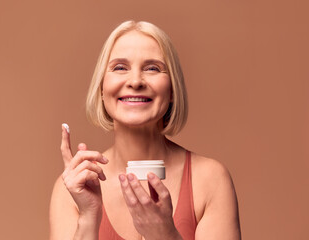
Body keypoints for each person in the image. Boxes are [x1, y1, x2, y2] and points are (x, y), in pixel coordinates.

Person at [49, 20, 241, 240]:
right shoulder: (73, 188)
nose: (135, 81)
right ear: (102, 88)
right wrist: (88, 217)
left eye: (152, 68)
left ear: (172, 91)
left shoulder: (210, 180)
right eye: (120, 68)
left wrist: (165, 235)